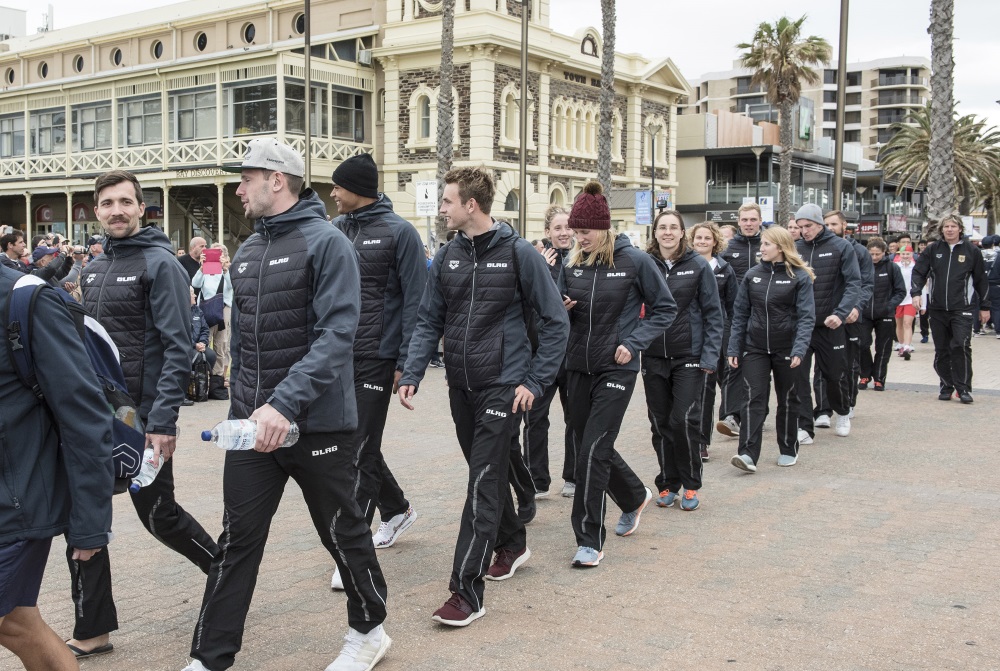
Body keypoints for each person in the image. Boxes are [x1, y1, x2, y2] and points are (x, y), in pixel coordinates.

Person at [186, 139, 392, 671]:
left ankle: (369, 631)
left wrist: (284, 404)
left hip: (317, 425)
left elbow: (337, 334)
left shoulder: (326, 243)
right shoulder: (249, 250)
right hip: (254, 429)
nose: (238, 187)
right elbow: (248, 343)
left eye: (246, 177)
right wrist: (243, 412)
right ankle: (209, 658)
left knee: (343, 533)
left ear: (277, 180)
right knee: (237, 541)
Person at [398, 167, 568, 625]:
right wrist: (412, 369)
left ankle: (465, 593)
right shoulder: (449, 255)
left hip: (503, 385)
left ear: (471, 205)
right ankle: (512, 542)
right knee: (484, 474)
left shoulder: (519, 254)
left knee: (481, 485)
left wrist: (533, 382)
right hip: (460, 385)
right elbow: (428, 318)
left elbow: (556, 322)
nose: (443, 208)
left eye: (448, 201)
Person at [69, 170, 221, 661]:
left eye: (125, 202)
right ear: (97, 210)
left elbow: (178, 348)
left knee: (158, 516)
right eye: (107, 203)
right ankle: (92, 630)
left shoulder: (161, 264)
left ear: (141, 208)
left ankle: (225, 574)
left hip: (141, 423)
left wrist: (163, 420)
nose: (116, 210)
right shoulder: (92, 268)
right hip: (92, 418)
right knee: (83, 521)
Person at [0, 267, 114, 671]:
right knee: (15, 623)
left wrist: (89, 524)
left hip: (17, 504)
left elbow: (84, 415)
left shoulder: (26, 300)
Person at [561, 181, 675, 566]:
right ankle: (632, 494)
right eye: (576, 232)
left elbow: (664, 309)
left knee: (593, 450)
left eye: (585, 232)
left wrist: (635, 340)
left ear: (604, 228)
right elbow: (553, 311)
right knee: (586, 443)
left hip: (617, 366)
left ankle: (589, 539)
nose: (579, 238)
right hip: (576, 365)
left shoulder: (635, 261)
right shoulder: (571, 262)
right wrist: (562, 308)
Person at [328, 153, 425, 591]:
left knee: (358, 450)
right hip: (338, 356)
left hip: (378, 357)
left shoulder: (401, 232)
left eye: (338, 187)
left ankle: (353, 548)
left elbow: (415, 301)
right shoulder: (336, 230)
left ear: (358, 189)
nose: (331, 194)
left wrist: (407, 364)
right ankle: (398, 509)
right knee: (355, 444)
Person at [643, 211, 722, 510]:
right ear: (654, 232)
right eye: (662, 227)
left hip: (689, 355)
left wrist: (710, 355)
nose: (667, 232)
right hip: (652, 356)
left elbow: (714, 313)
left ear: (682, 232)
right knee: (660, 423)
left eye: (673, 227)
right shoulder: (644, 263)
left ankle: (691, 484)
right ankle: (668, 483)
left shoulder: (698, 265)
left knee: (682, 420)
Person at [728, 226, 815, 473]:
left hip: (787, 348)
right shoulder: (752, 275)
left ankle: (788, 448)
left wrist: (799, 349)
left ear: (781, 246)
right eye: (762, 244)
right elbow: (740, 313)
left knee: (788, 399)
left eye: (767, 244)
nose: (761, 248)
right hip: (754, 347)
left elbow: (807, 317)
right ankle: (747, 454)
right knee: (752, 398)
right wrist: (735, 346)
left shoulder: (799, 276)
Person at [793, 204, 862, 441]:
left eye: (808, 226)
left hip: (831, 325)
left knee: (834, 376)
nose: (805, 231)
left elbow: (854, 283)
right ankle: (805, 427)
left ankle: (842, 411)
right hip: (802, 326)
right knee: (799, 377)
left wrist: (841, 313)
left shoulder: (841, 246)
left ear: (820, 224)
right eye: (800, 227)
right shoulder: (795, 248)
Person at [522, 204, 576, 498]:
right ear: (547, 232)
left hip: (574, 352)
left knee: (575, 418)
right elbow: (528, 301)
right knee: (534, 417)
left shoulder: (584, 260)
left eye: (568, 227)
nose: (564, 233)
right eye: (558, 228)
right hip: (541, 352)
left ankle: (573, 476)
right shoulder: (537, 261)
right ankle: (537, 479)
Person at [910, 215, 990, 404]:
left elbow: (981, 280)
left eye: (953, 226)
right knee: (942, 350)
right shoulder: (933, 249)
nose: (950, 229)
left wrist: (985, 307)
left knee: (960, 346)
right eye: (946, 226)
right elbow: (919, 272)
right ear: (942, 229)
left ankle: (962, 389)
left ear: (960, 229)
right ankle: (946, 385)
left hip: (962, 308)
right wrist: (916, 293)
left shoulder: (972, 251)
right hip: (937, 308)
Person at [812, 210, 873, 424]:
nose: (830, 228)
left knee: (848, 363)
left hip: (851, 317)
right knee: (822, 364)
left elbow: (864, 284)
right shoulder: (817, 249)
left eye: (834, 224)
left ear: (844, 225)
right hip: (827, 317)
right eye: (826, 224)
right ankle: (823, 409)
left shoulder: (858, 251)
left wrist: (856, 307)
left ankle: (847, 404)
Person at [688, 221, 736, 463]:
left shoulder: (725, 270)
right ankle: (692, 437)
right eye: (698, 238)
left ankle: (702, 441)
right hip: (691, 335)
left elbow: (732, 307)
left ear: (715, 242)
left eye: (707, 238)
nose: (702, 242)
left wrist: (730, 337)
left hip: (716, 336)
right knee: (698, 390)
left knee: (709, 389)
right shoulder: (685, 266)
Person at [716, 203, 763, 438]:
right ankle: (730, 416)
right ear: (739, 222)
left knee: (759, 368)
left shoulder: (768, 245)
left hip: (764, 318)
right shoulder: (727, 248)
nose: (748, 224)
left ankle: (756, 413)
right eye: (744, 220)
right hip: (733, 318)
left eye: (752, 219)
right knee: (731, 365)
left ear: (760, 221)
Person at [858, 237, 905, 391]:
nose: (874, 257)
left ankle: (879, 378)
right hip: (864, 313)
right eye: (871, 254)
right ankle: (865, 374)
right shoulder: (861, 267)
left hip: (885, 313)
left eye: (878, 254)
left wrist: (889, 306)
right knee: (862, 344)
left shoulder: (892, 268)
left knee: (883, 347)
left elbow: (900, 291)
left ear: (884, 253)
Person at [191, 243, 233, 400]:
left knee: (221, 346)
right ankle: (203, 381)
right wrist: (202, 268)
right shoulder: (205, 270)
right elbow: (195, 284)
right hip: (206, 310)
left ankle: (217, 383)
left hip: (223, 309)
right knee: (204, 342)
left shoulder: (227, 271)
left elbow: (232, 285)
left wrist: (225, 269)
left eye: (220, 254)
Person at [894, 244, 919, 356]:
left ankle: (907, 346)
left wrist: (922, 304)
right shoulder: (895, 266)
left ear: (912, 254)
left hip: (911, 299)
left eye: (907, 254)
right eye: (903, 254)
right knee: (899, 324)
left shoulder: (915, 267)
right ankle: (902, 344)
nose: (905, 256)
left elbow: (920, 285)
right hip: (898, 299)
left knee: (907, 323)